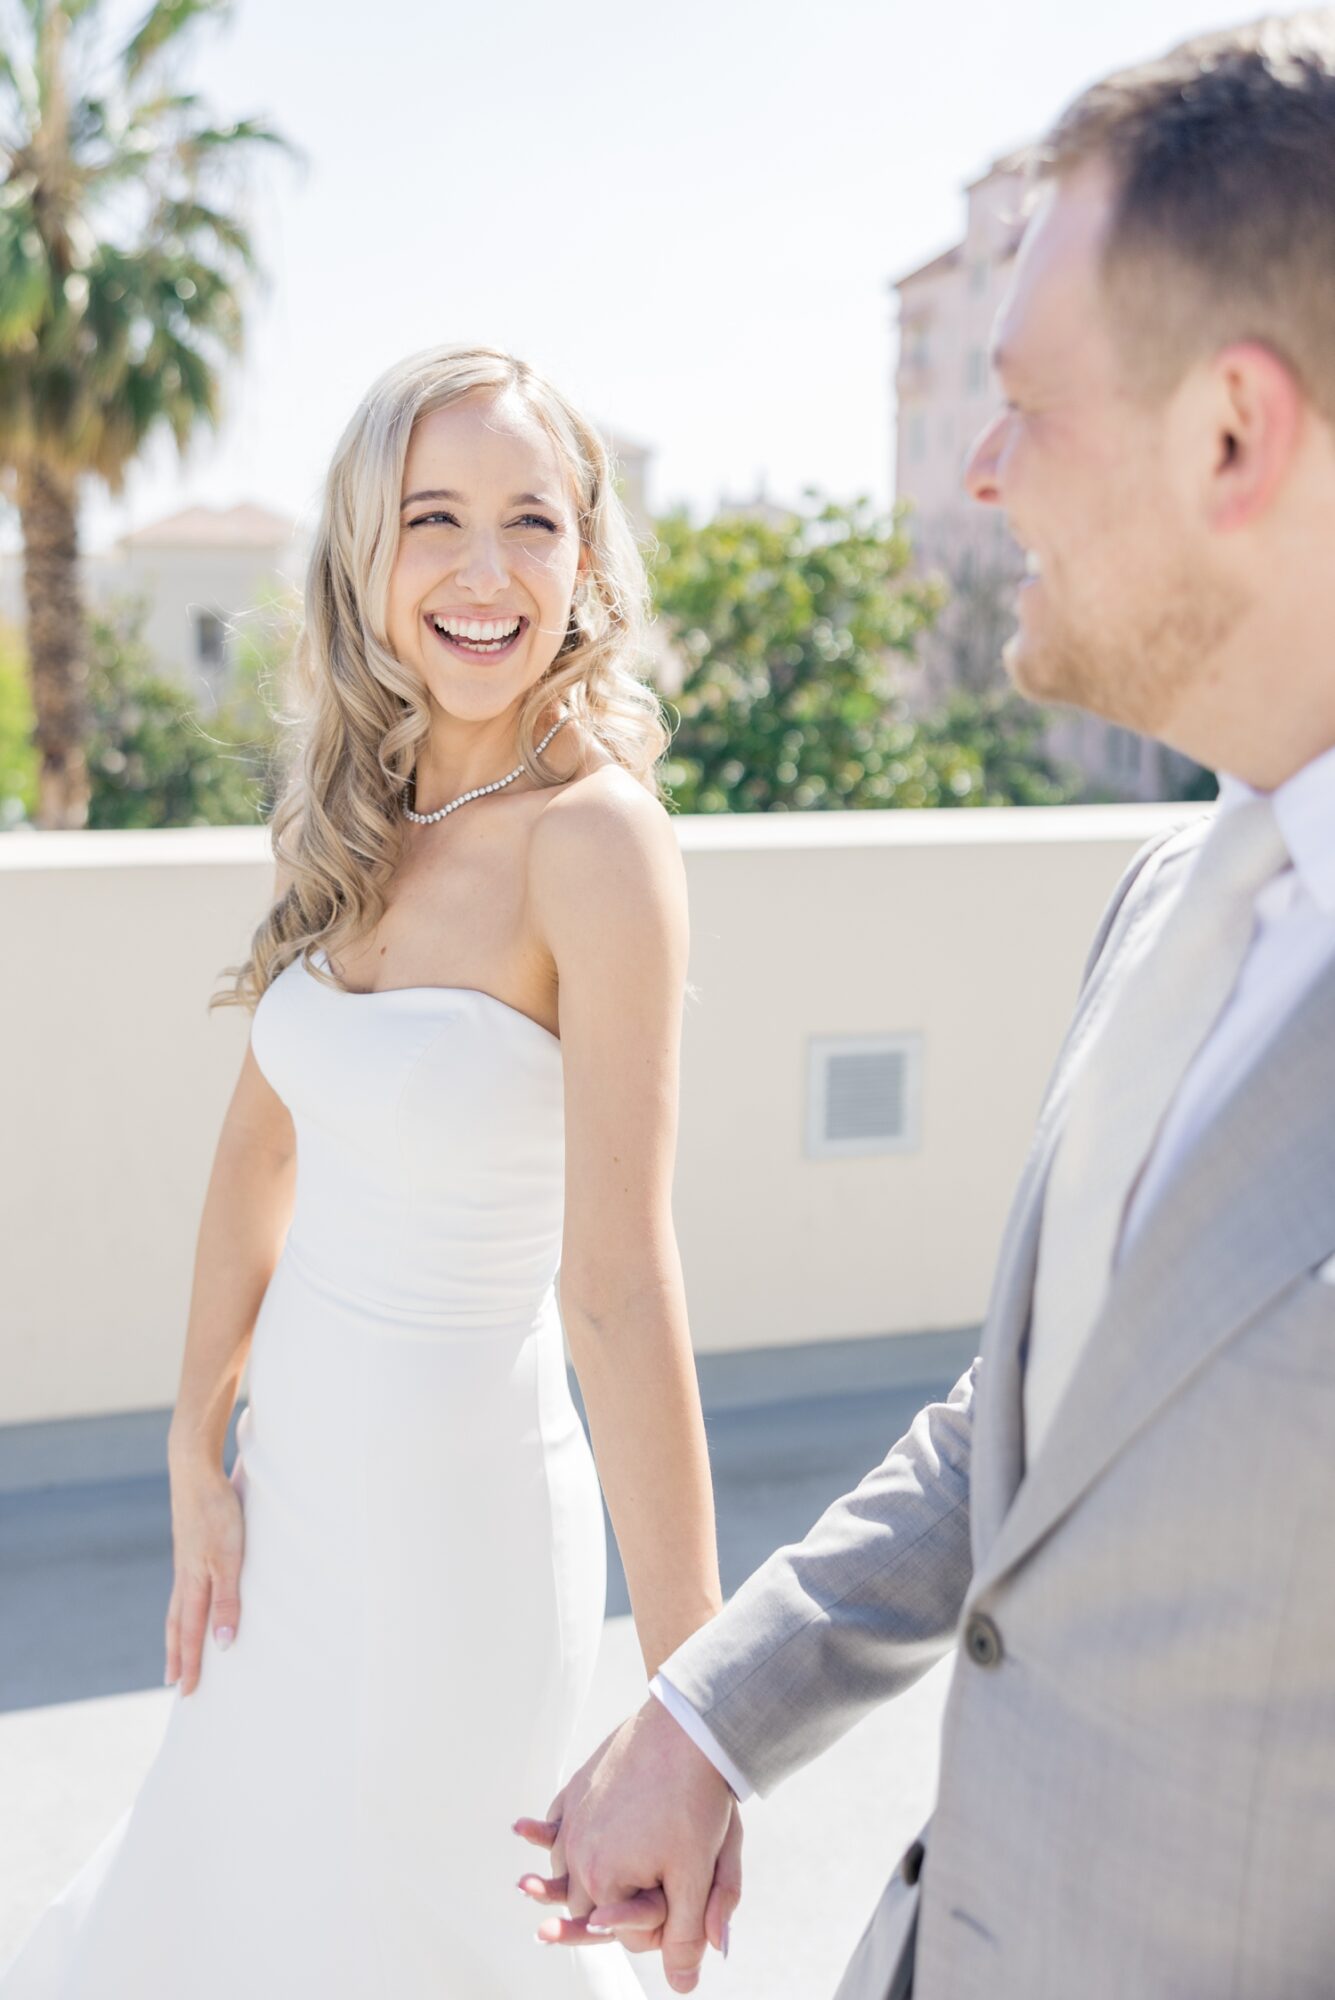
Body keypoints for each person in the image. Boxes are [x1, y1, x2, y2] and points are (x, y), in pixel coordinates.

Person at [516, 16, 1335, 1997]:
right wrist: (714, 1712)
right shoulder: (1162, 900)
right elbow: (1042, 1422)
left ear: (1229, 433)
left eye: (1024, 407)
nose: (976, 473)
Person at [0, 344, 723, 1998]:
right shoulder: (364, 802)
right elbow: (261, 1137)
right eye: (435, 519)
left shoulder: (598, 845)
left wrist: (702, 1702)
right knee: (225, 1912)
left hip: (452, 1548)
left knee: (414, 1938)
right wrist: (193, 1440)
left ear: (588, 555)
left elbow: (621, 1287)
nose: (485, 573)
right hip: (292, 1517)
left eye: (532, 522)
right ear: (365, 558)